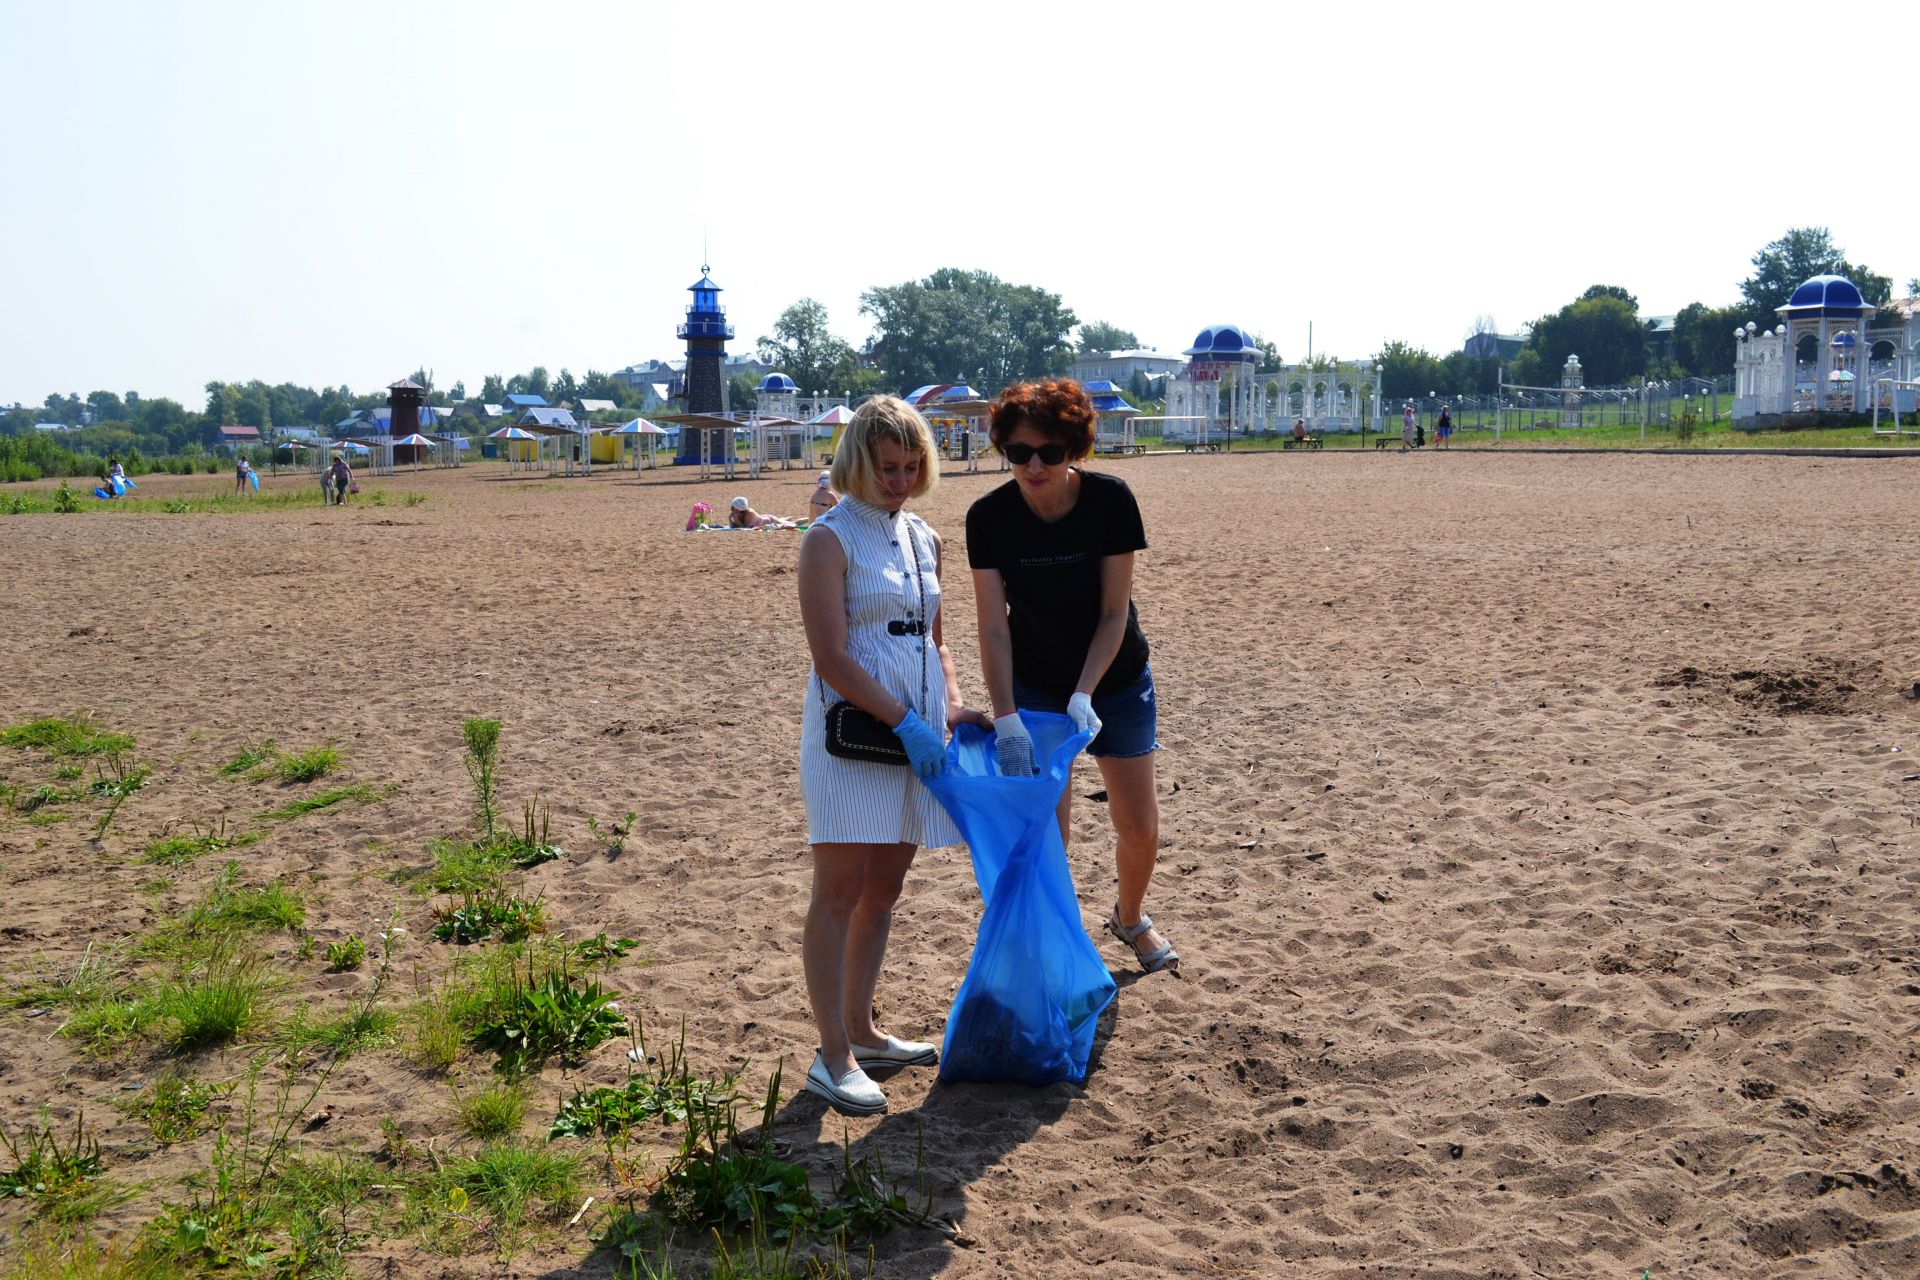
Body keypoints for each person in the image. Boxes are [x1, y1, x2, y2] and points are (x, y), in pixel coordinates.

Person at [796, 395, 991, 1115]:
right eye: (888, 468)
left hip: (915, 740)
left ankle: (864, 1029)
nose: (902, 480)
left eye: (913, 466)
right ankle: (833, 1056)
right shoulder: (828, 539)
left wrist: (954, 705)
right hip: (852, 740)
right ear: (858, 462)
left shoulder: (925, 539)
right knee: (839, 893)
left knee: (886, 890)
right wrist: (905, 720)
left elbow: (934, 645)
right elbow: (833, 658)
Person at [968, 378, 1179, 975]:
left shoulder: (1112, 501)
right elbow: (993, 627)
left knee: (1137, 827)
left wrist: (1085, 692)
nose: (1033, 466)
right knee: (1047, 837)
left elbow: (1115, 613)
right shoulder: (988, 517)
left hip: (1114, 678)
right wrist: (1005, 712)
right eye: (1018, 453)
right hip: (1033, 683)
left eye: (1050, 452)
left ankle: (1130, 917)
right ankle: (1060, 942)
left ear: (1076, 449)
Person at [729, 496, 796, 529]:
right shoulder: (737, 513)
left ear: (739, 509)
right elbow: (732, 527)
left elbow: (744, 528)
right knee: (783, 520)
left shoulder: (749, 513)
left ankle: (806, 519)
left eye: (733, 507)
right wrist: (730, 519)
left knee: (794, 523)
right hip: (763, 518)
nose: (732, 509)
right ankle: (787, 518)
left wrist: (735, 519)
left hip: (770, 520)